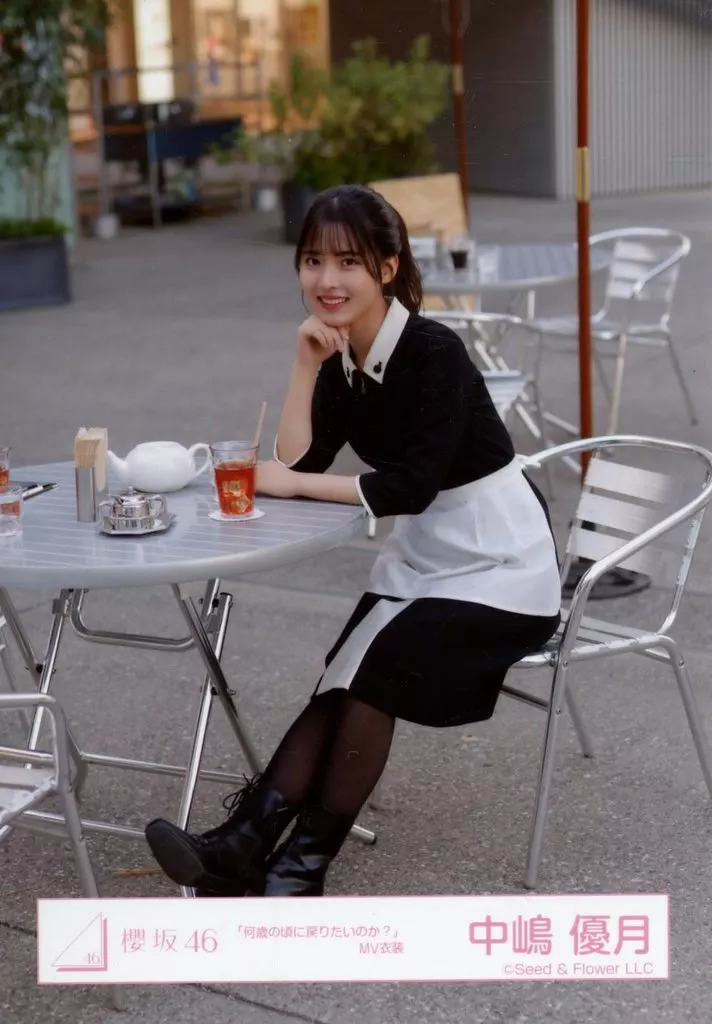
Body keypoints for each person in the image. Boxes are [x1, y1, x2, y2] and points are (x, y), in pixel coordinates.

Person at [144, 184, 562, 898]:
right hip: (429, 557)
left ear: (387, 268)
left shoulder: (433, 350)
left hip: (502, 564)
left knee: (371, 672)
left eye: (347, 262)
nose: (327, 280)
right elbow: (301, 459)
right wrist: (304, 364)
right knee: (342, 676)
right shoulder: (340, 359)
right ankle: (248, 846)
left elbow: (408, 486)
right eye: (312, 261)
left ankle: (299, 865)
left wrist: (293, 483)